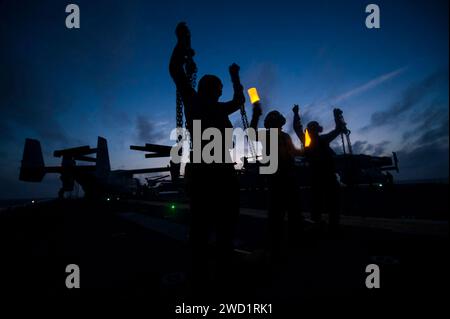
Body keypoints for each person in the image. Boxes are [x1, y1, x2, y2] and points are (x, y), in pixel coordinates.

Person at [169, 22, 245, 280]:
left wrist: (183, 44)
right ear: (212, 89)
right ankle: (212, 272)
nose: (221, 92)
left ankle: (205, 272)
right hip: (215, 175)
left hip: (213, 175)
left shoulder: (203, 104)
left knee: (209, 227)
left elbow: (175, 70)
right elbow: (175, 71)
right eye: (220, 88)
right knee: (215, 227)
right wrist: (182, 43)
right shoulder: (198, 102)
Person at [250, 103, 304, 258]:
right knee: (277, 212)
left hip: (289, 175)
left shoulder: (285, 136)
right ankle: (275, 246)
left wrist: (306, 148)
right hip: (275, 177)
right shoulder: (265, 135)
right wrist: (255, 115)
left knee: (293, 210)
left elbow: (294, 152)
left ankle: (293, 242)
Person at [293, 106, 344, 232]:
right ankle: (331, 226)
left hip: (318, 176)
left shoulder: (308, 141)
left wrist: (296, 114)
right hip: (324, 176)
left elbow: (297, 128)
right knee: (329, 203)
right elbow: (338, 130)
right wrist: (337, 116)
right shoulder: (322, 139)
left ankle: (320, 224)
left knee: (319, 203)